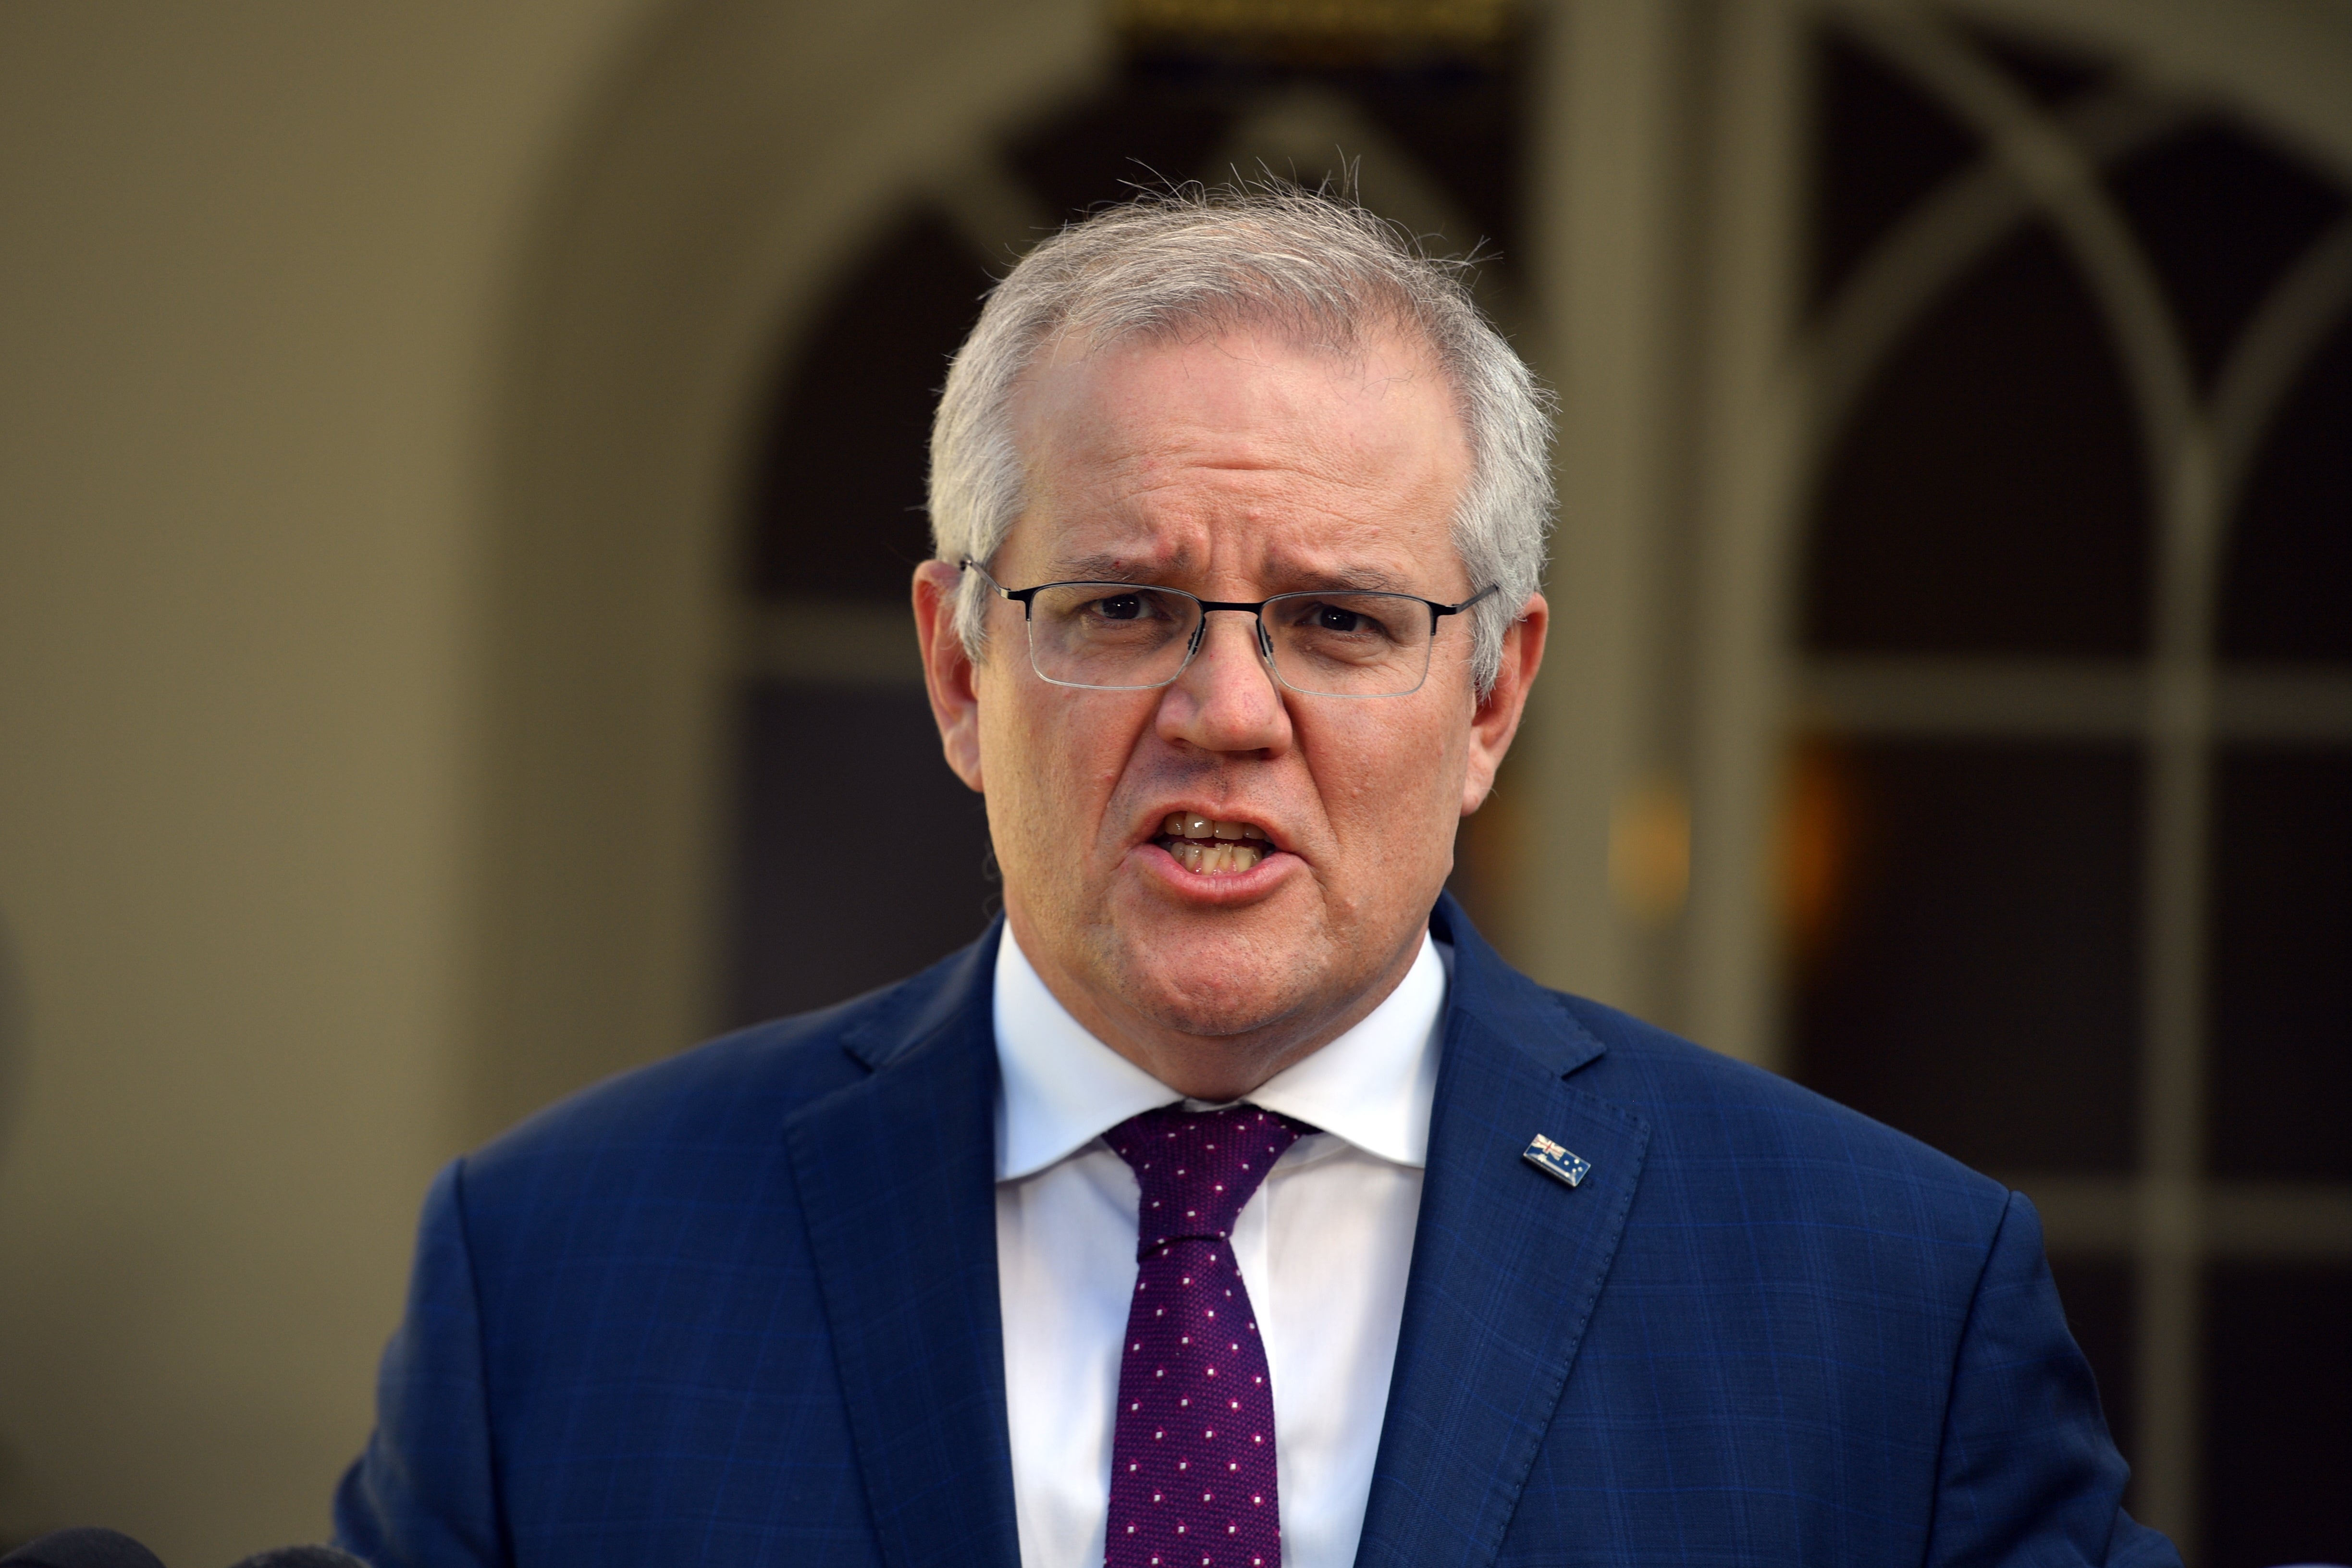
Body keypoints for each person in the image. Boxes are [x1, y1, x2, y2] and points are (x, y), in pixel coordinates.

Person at [335, 188, 2176, 1568]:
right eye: (1126, 605)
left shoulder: (1884, 1299)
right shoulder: (561, 1266)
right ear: (961, 669)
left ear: (1492, 694)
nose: (1227, 707)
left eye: (1339, 620)